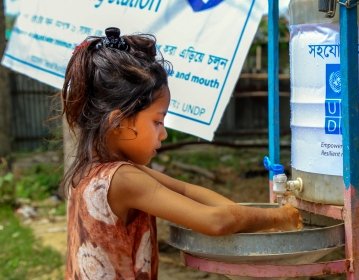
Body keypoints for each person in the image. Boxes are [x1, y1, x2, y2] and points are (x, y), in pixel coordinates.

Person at [61, 27, 303, 280]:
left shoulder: (95, 171)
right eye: (157, 121)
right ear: (119, 122)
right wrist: (279, 217)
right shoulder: (121, 180)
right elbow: (215, 221)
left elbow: (187, 191)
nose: (163, 134)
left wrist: (243, 216)